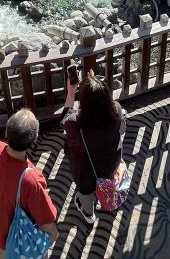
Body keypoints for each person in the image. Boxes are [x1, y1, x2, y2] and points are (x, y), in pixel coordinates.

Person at [0, 108, 59, 257]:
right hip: (17, 240)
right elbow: (47, 220)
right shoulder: (31, 179)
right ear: (35, 139)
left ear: (6, 132)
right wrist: (52, 236)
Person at [63, 68, 126, 224]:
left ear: (82, 101)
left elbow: (64, 119)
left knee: (86, 191)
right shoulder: (116, 110)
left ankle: (88, 214)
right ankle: (105, 195)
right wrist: (94, 85)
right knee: (106, 178)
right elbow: (122, 129)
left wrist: (71, 92)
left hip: (86, 170)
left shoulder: (74, 123)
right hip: (111, 163)